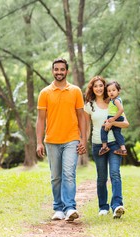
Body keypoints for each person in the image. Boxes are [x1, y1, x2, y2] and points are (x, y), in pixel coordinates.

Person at [36, 58, 87, 222]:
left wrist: (83, 140)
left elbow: (81, 117)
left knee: (68, 174)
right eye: (56, 69)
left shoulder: (76, 91)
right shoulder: (45, 93)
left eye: (62, 69)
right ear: (52, 71)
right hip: (51, 140)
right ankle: (58, 208)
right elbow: (40, 119)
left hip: (71, 139)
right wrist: (39, 142)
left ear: (67, 71)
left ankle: (70, 207)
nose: (59, 72)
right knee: (56, 176)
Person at [84, 76, 129, 218]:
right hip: (98, 145)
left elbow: (126, 123)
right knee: (101, 177)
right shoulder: (89, 105)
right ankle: (103, 207)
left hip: (114, 143)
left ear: (104, 87)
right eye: (95, 86)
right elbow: (86, 128)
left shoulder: (113, 102)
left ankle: (117, 206)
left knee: (115, 173)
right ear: (92, 88)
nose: (98, 88)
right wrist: (83, 143)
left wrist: (112, 123)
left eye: (101, 86)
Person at [99, 81, 127, 156]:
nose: (111, 92)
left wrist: (113, 119)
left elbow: (121, 110)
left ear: (118, 91)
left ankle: (104, 146)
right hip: (114, 118)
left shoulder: (116, 100)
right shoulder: (113, 100)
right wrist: (109, 120)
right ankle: (123, 149)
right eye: (109, 91)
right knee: (117, 133)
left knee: (103, 128)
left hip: (116, 118)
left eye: (113, 90)